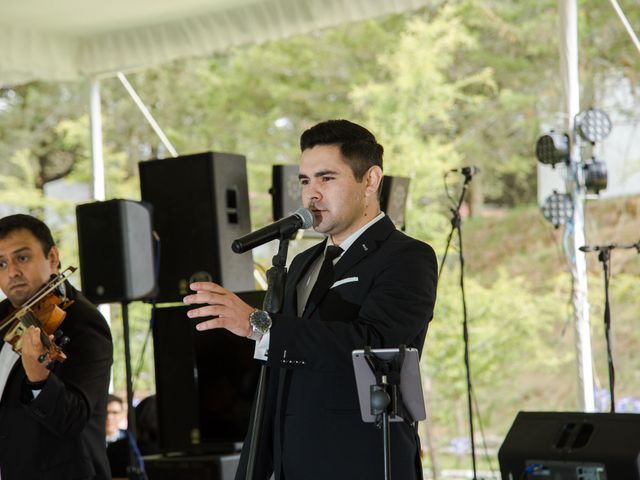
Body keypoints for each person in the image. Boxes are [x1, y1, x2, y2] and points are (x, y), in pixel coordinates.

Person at [184, 119, 438, 480]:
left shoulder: (406, 256)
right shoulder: (302, 262)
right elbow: (277, 376)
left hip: (362, 460)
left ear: (370, 180)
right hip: (294, 462)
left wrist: (260, 325)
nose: (311, 194)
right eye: (305, 180)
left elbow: (373, 343)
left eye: (326, 178)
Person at [0, 214, 113, 480]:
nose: (11, 272)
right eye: (1, 263)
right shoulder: (4, 315)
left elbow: (73, 419)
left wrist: (39, 380)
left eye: (22, 258)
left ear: (52, 257)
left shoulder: (84, 322)